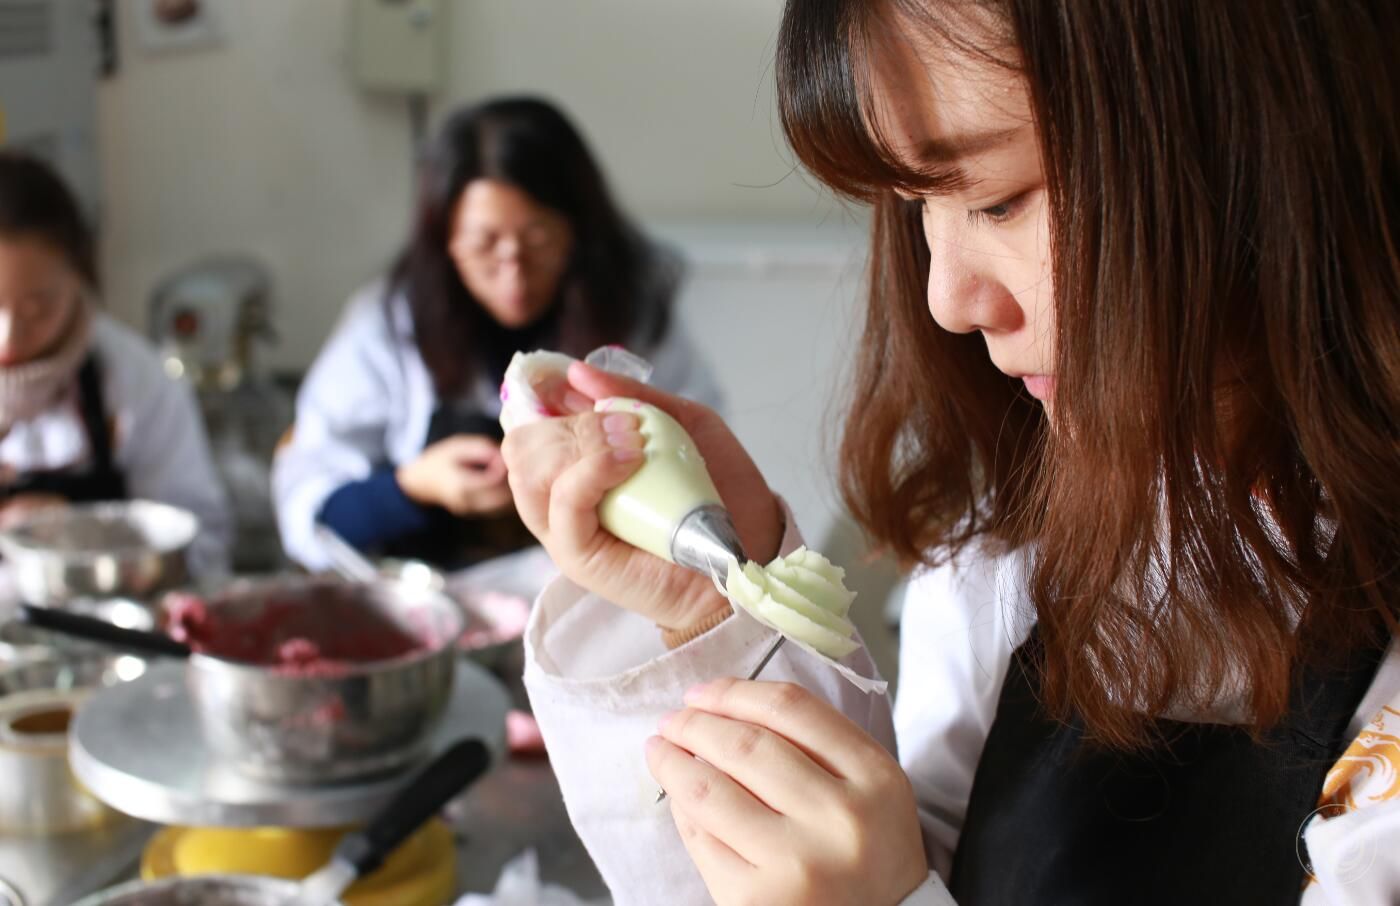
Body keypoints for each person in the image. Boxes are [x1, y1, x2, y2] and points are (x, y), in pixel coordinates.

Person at [499, 1, 1400, 904]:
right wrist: (711, 616)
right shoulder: (1004, 562)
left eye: (996, 200)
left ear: (1253, 135)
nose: (948, 300)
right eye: (917, 204)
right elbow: (910, 850)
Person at [274, 97, 721, 572]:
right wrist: (412, 487)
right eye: (484, 244)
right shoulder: (387, 327)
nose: (514, 275)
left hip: (593, 593)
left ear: (579, 230)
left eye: (538, 241)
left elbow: (697, 469)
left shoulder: (636, 319)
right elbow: (311, 512)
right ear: (445, 239)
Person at [0, 152, 231, 575]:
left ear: (79, 275)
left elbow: (205, 545)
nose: (9, 338)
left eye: (37, 310)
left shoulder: (135, 379)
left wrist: (91, 535)